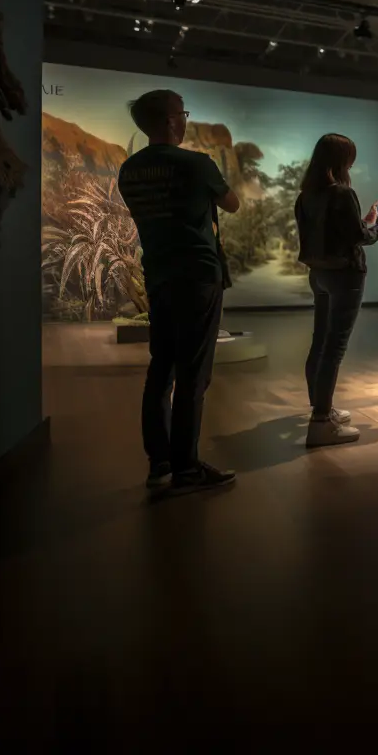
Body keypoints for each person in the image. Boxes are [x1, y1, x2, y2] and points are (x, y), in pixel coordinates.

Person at [118, 90, 241, 494]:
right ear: (171, 121)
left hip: (159, 275)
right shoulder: (197, 164)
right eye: (183, 113)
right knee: (193, 374)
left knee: (161, 370)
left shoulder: (129, 171)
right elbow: (233, 203)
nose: (186, 119)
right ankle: (188, 469)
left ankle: (161, 464)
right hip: (198, 275)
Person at [295, 133, 378, 448]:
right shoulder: (341, 193)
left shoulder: (306, 195)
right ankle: (321, 422)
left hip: (319, 274)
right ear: (341, 160)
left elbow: (339, 232)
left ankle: (321, 409)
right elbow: (359, 238)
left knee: (320, 342)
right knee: (334, 348)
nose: (352, 163)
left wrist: (365, 220)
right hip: (345, 276)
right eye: (349, 157)